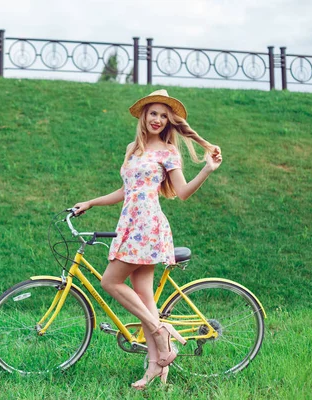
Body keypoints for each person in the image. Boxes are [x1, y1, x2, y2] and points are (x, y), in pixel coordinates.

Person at [72, 89, 222, 389]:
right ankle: (156, 367)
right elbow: (126, 190)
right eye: (153, 113)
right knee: (143, 295)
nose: (157, 119)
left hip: (148, 225)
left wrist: (207, 169)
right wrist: (91, 202)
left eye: (164, 116)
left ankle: (159, 330)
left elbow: (181, 192)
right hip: (131, 223)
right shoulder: (132, 148)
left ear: (169, 122)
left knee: (109, 282)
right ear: (144, 115)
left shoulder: (167, 152)